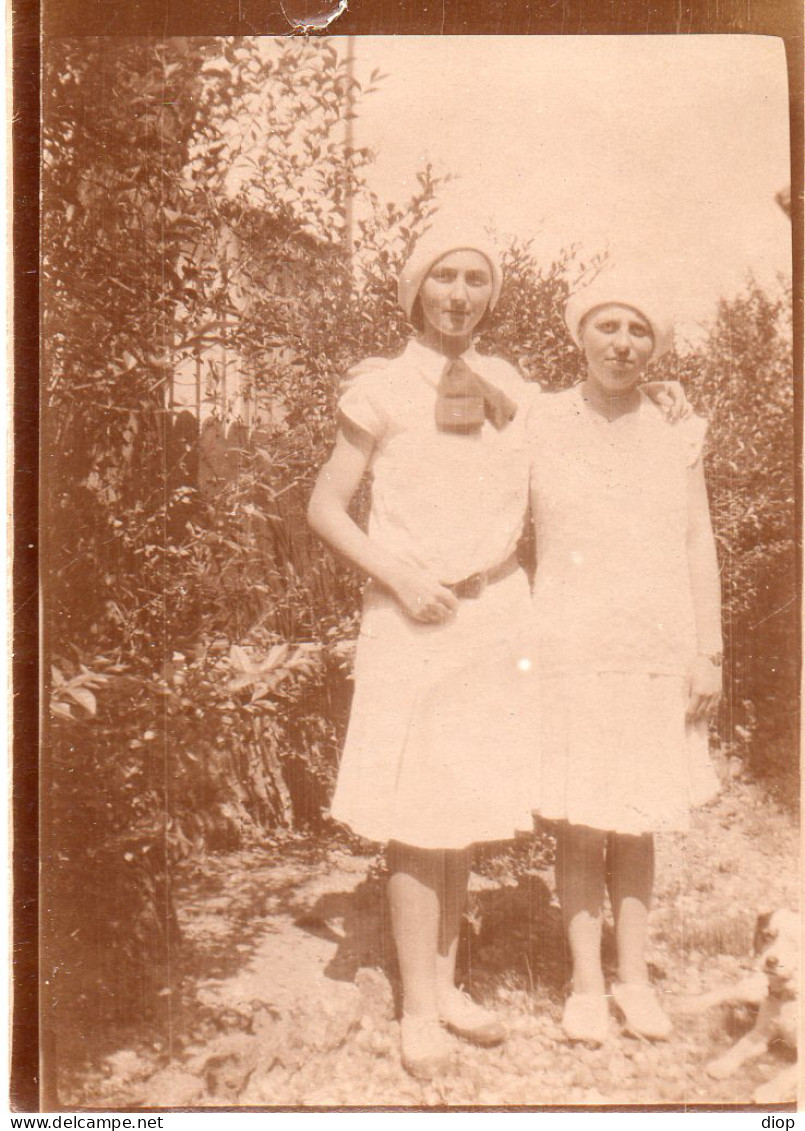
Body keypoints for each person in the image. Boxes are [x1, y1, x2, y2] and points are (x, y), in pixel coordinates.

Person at [308, 224, 689, 1078]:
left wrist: (660, 394)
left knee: (464, 804)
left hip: (494, 613)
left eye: (474, 278)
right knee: (416, 814)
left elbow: (589, 418)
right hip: (413, 615)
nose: (457, 292)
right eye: (442, 276)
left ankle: (445, 985)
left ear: (491, 296)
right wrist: (399, 577)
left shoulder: (510, 385)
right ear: (415, 291)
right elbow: (326, 507)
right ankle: (415, 1008)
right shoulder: (380, 388)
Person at [527, 274, 723, 1047]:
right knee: (579, 822)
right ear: (579, 335)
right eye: (605, 325)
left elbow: (696, 541)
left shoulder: (677, 429)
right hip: (569, 643)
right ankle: (582, 985)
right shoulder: (539, 419)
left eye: (637, 330)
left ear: (656, 345)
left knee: (636, 821)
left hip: (654, 645)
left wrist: (707, 651)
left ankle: (632, 980)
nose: (620, 343)